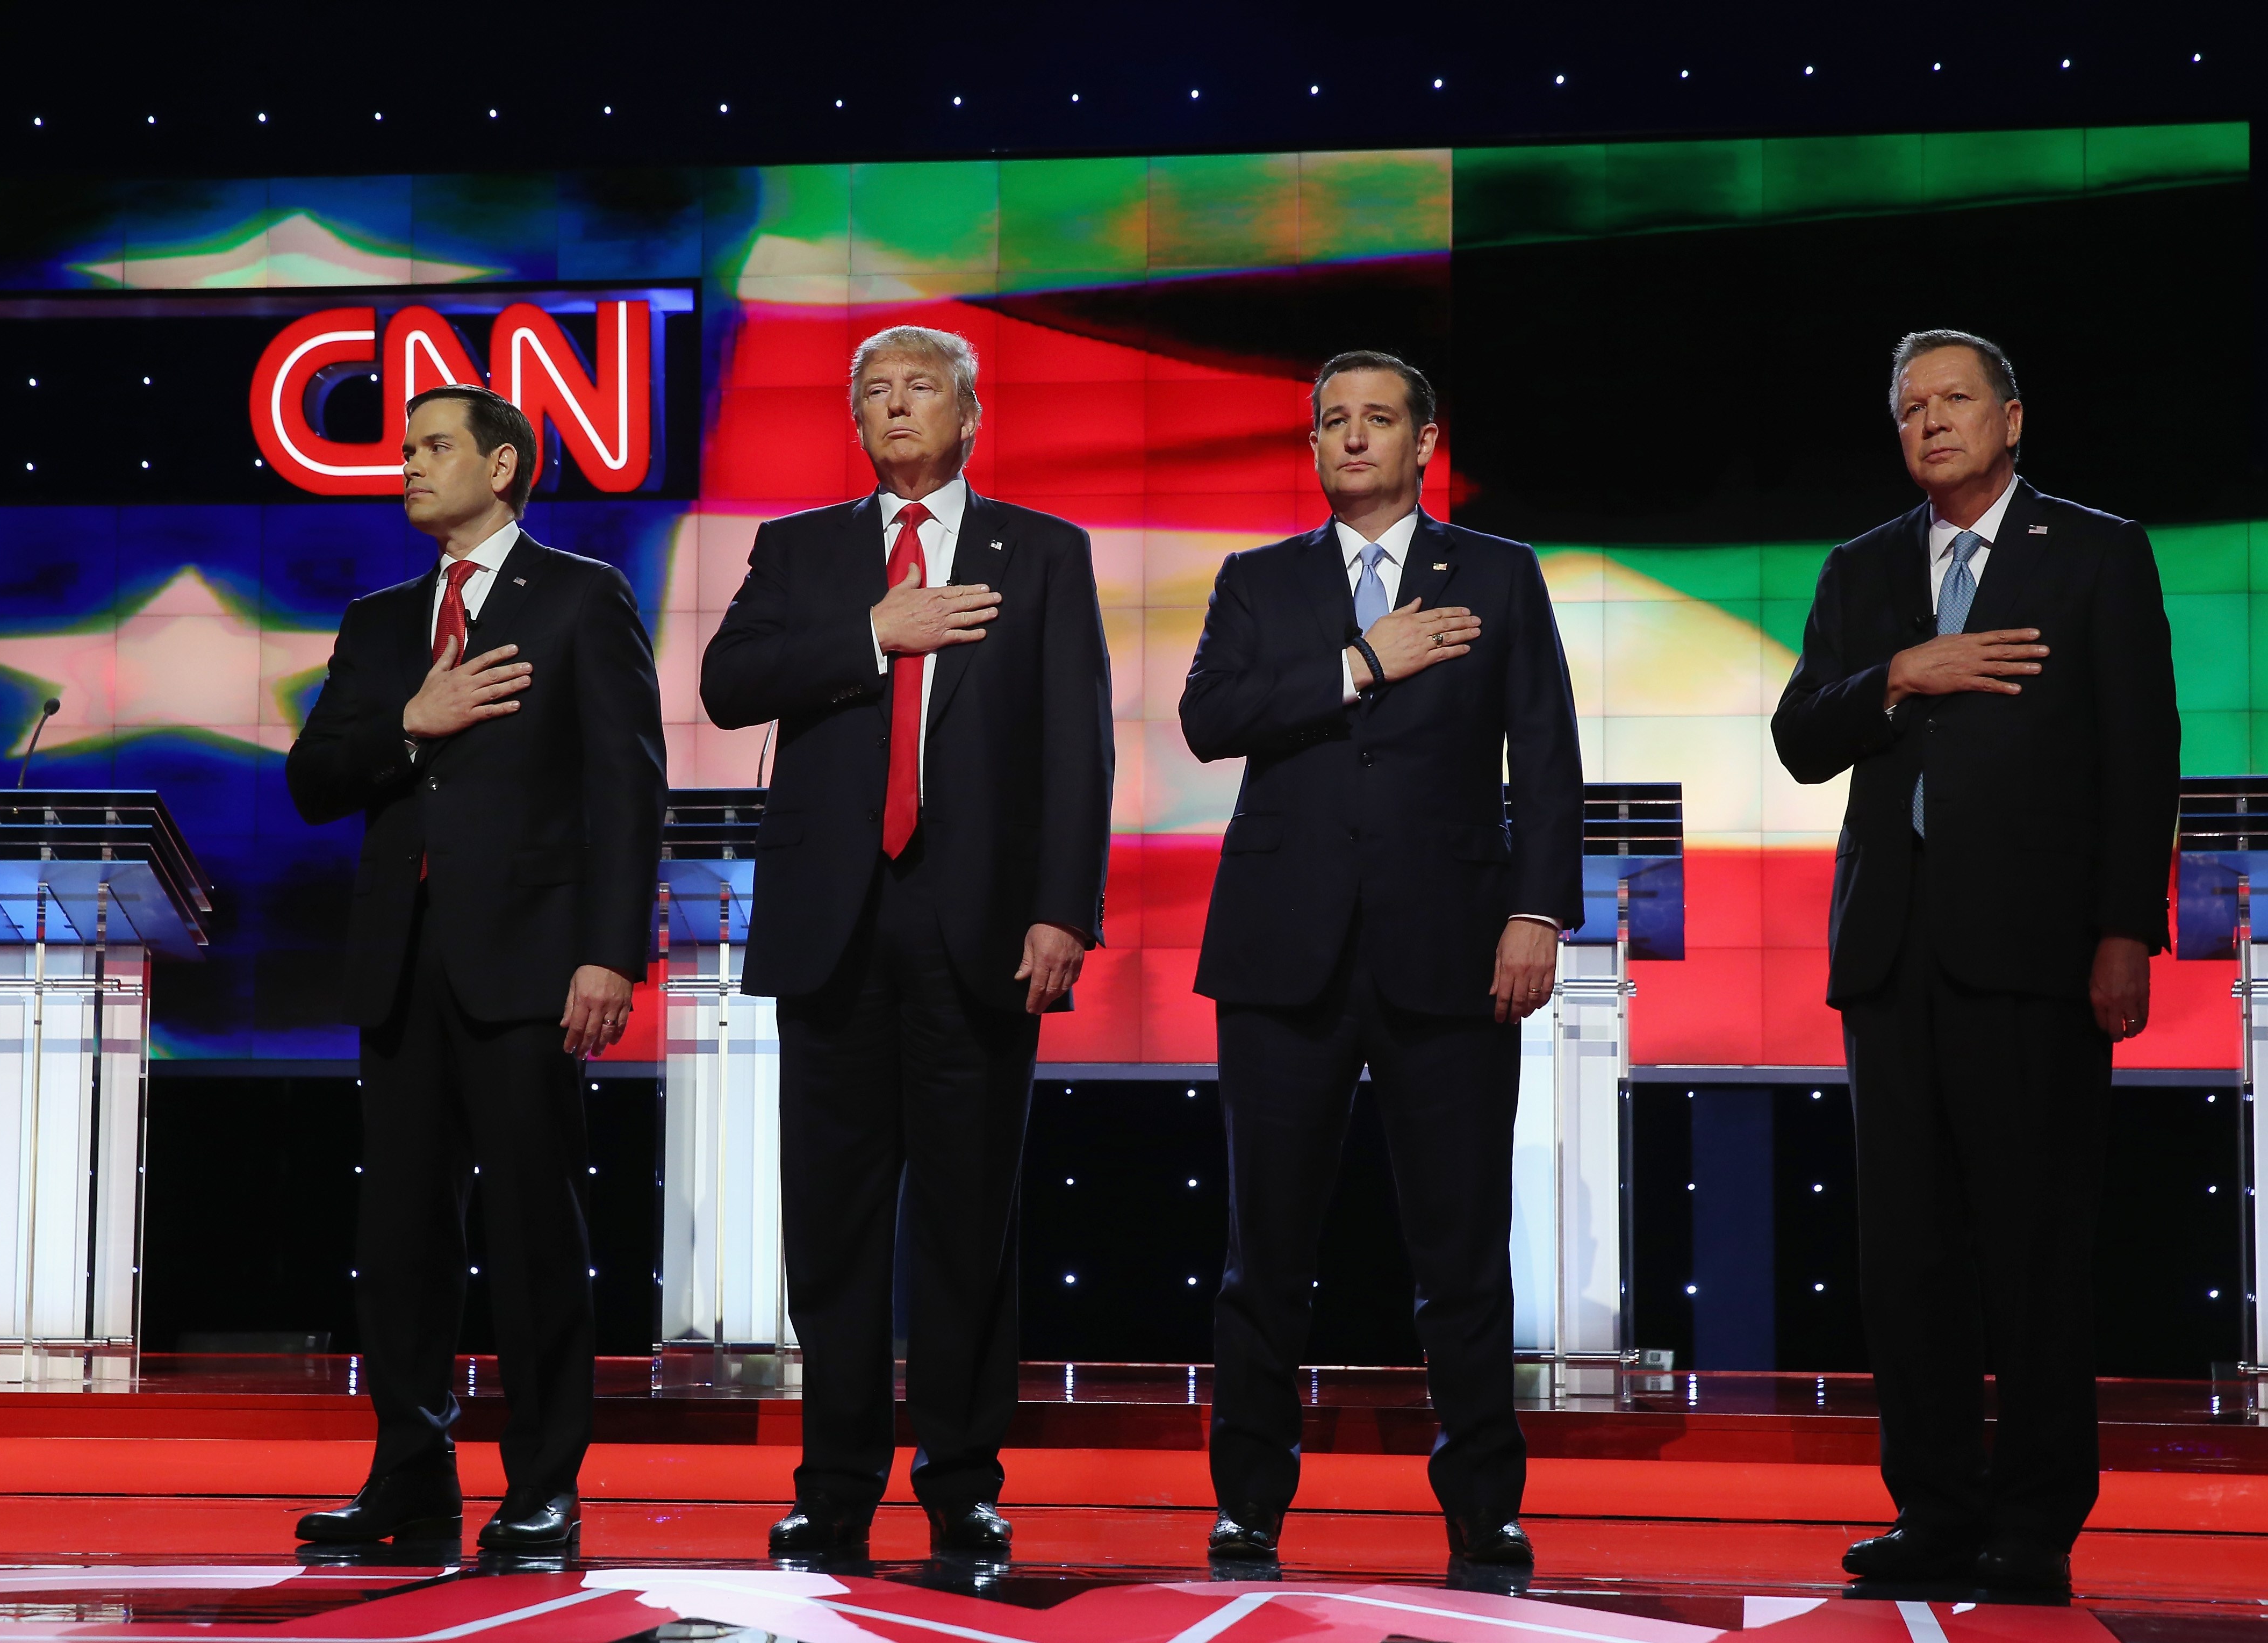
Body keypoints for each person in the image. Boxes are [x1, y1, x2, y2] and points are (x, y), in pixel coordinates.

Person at [1772, 331, 2179, 1594]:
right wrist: (1899, 671)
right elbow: (1798, 737)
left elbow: (2140, 751)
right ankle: (1935, 1512)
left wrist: (2125, 930)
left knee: (2034, 1248)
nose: (1931, 421)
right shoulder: (1862, 567)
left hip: (2040, 955)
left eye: (1954, 400)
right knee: (1908, 1257)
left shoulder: (2097, 551)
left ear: (2011, 418)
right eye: (1909, 406)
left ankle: (2035, 1523)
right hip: (1891, 960)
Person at [701, 325, 1113, 1558]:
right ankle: (832, 1481)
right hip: (834, 922)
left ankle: (961, 1478)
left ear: (971, 413)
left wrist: (1063, 909)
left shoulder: (1042, 552)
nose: (894, 406)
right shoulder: (802, 547)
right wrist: (876, 631)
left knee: (966, 1215)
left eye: (919, 386)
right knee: (829, 1220)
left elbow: (1077, 747)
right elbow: (729, 684)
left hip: (980, 927)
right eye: (871, 391)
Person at [1179, 350, 1584, 1577]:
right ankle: (1248, 1501)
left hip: (1453, 949)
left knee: (1461, 1249)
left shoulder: (1500, 575)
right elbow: (1209, 720)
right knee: (1266, 1252)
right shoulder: (1259, 581)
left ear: (1423, 442)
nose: (1353, 438)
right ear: (1312, 447)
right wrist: (1361, 661)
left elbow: (1548, 756)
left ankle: (1482, 1505)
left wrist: (1539, 915)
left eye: (1378, 419)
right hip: (1280, 950)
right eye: (1332, 422)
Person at [285, 384, 666, 1553]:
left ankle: (543, 1481)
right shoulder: (380, 619)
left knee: (534, 1231)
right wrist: (413, 719)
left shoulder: (581, 597)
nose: (407, 464)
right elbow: (315, 779)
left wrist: (610, 951)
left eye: (434, 446)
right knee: (399, 1236)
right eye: (406, 448)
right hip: (400, 966)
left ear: (502, 466)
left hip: (534, 966)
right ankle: (411, 1471)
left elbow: (627, 786)